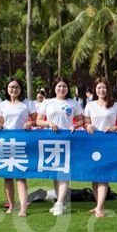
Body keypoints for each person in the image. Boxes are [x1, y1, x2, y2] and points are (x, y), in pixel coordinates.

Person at [35, 77, 84, 216]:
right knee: (56, 173)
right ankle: (60, 201)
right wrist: (49, 123)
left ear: (68, 88)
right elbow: (38, 121)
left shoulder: (73, 103)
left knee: (64, 171)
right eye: (59, 86)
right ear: (54, 88)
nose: (61, 89)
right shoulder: (47, 102)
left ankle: (60, 202)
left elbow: (81, 120)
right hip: (51, 141)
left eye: (64, 86)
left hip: (67, 140)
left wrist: (75, 125)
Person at [83, 76, 117, 218]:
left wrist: (113, 128)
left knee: (103, 176)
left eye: (104, 87)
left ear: (108, 89)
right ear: (95, 89)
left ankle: (100, 207)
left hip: (109, 144)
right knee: (95, 176)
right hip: (93, 144)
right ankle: (97, 204)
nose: (101, 90)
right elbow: (86, 122)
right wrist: (88, 126)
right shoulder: (90, 105)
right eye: (99, 87)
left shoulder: (116, 105)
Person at [0, 77, 36, 216]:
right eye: (11, 87)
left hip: (22, 142)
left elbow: (36, 120)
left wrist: (30, 123)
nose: (14, 89)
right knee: (7, 177)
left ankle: (23, 207)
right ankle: (11, 206)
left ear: (21, 89)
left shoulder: (27, 103)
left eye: (17, 87)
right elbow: (1, 123)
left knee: (20, 176)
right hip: (6, 143)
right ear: (7, 89)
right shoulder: (2, 105)